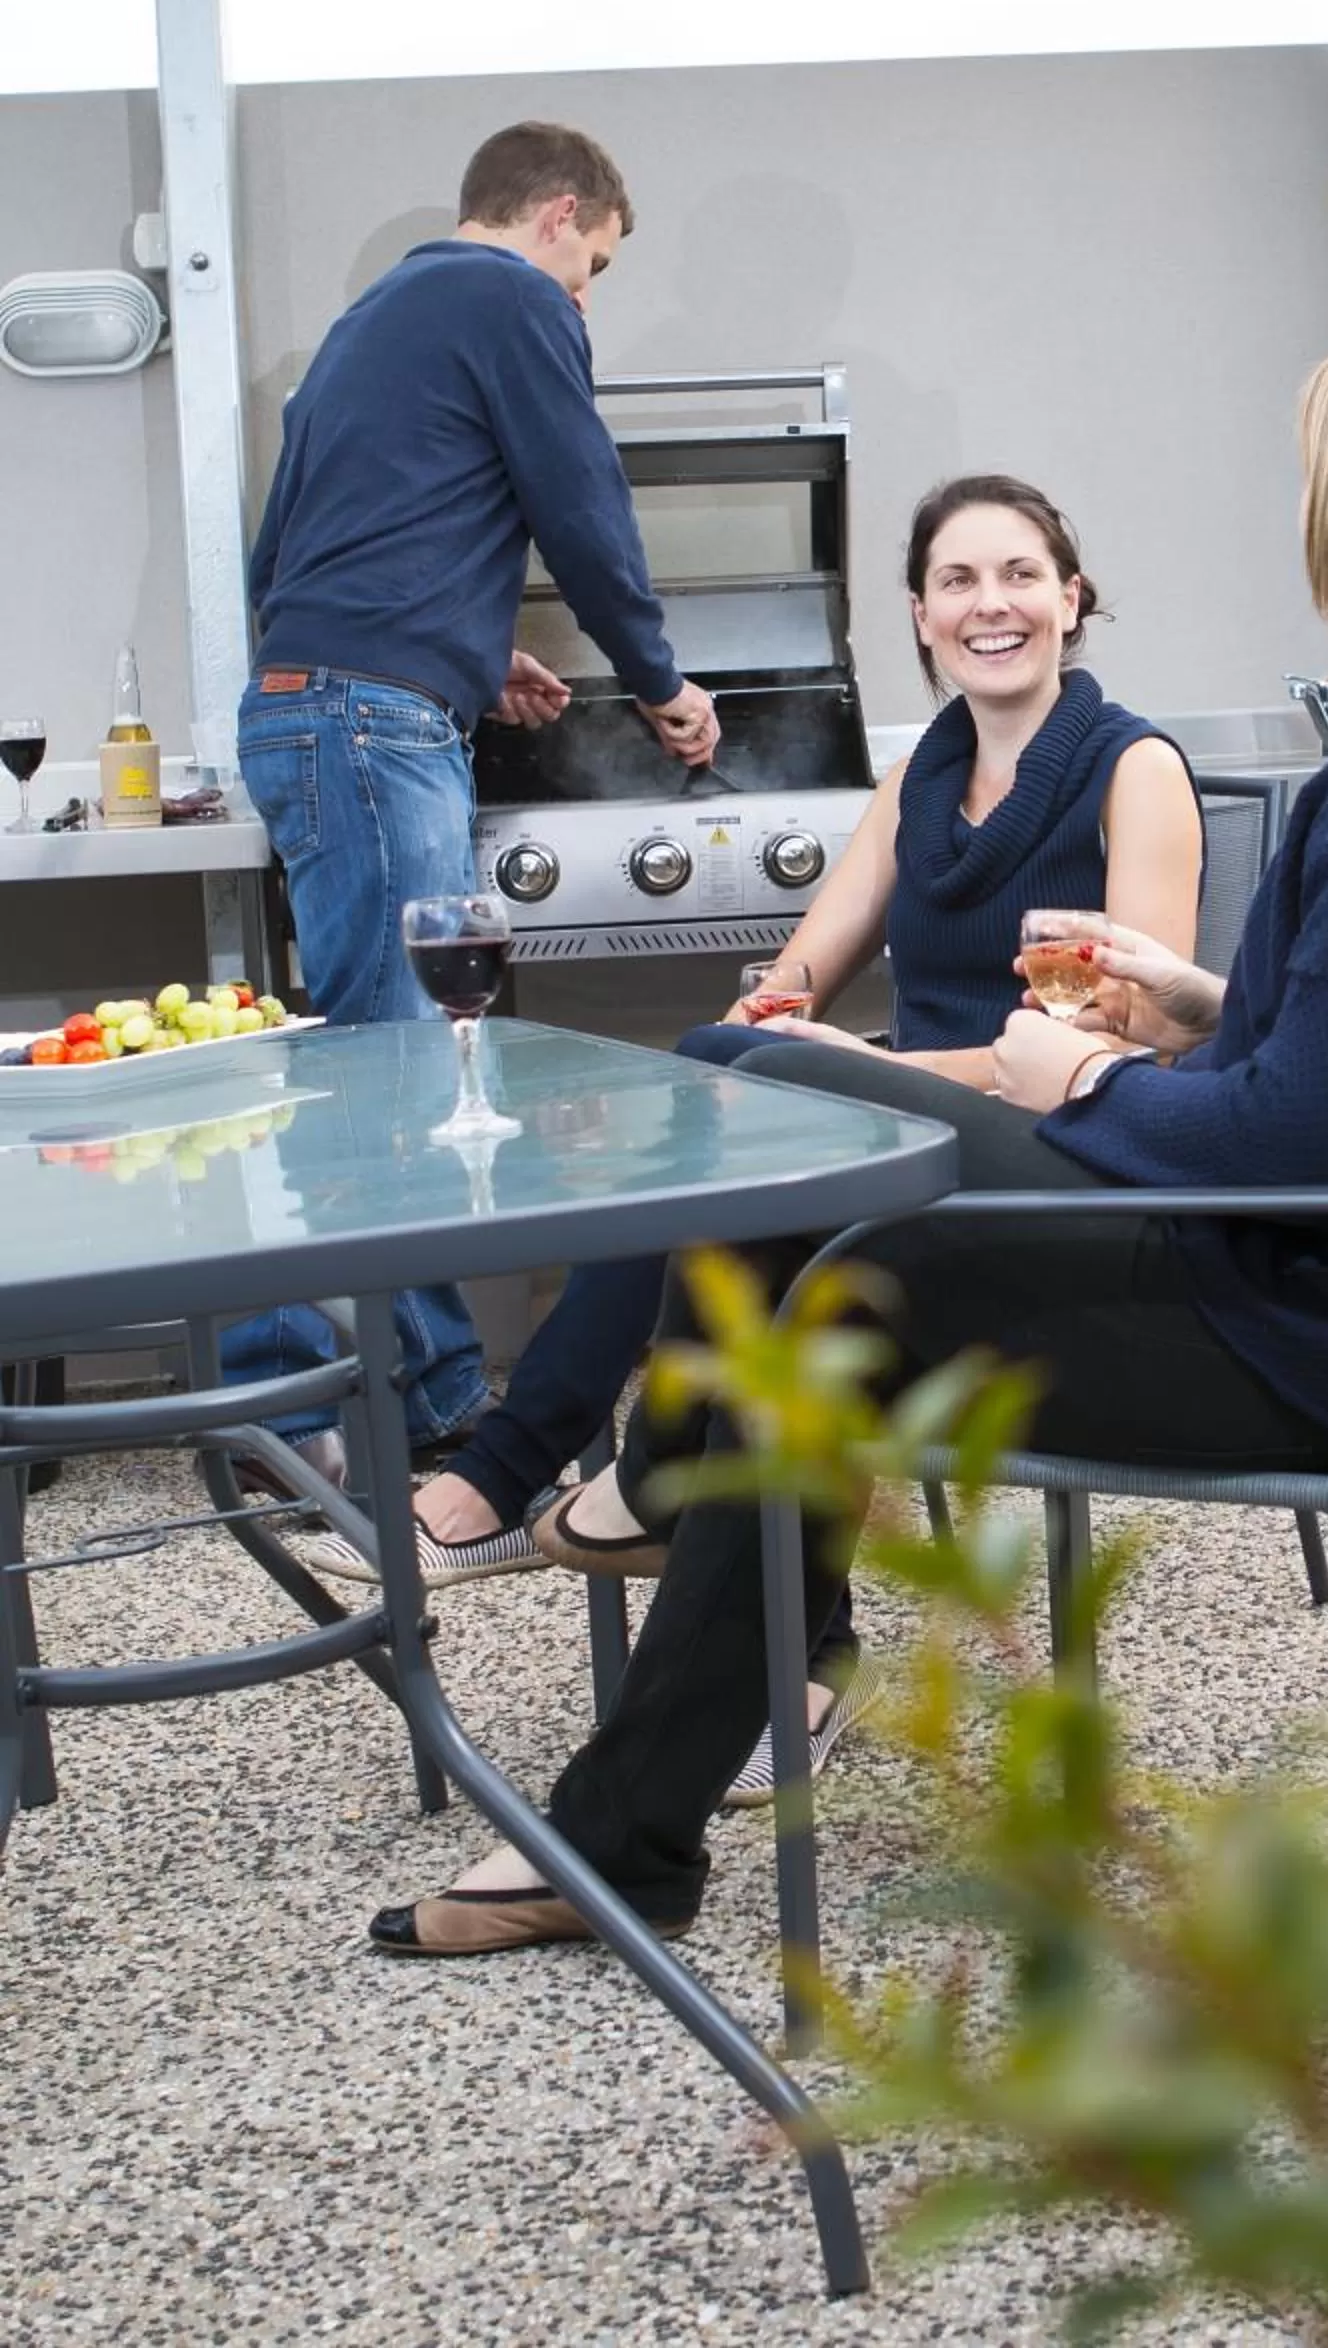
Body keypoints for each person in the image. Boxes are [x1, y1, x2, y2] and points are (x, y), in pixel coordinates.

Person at [370, 304, 1328, 1956]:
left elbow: (1298, 1137)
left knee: (793, 1230)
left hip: (1309, 1328)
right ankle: (636, 1736)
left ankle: (651, 1585)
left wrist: (1089, 1079)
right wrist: (1194, 1004)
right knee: (792, 1196)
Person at [328, 475, 1204, 1798]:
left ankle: (548, 1476)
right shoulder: (920, 780)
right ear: (918, 618)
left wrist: (863, 1064)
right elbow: (803, 970)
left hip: (1057, 1154)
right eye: (959, 582)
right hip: (908, 1133)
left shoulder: (1136, 769)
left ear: (1072, 601)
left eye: (1020, 574)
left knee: (734, 1108)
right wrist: (782, 1007)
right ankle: (790, 1644)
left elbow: (1137, 1040)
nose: (992, 605)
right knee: (729, 1090)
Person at [225, 123, 720, 1483]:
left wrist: (462, 651)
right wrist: (660, 685)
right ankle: (377, 1404)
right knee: (397, 1070)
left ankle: (363, 1389)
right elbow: (582, 500)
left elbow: (294, 554)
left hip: (328, 704)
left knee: (365, 1056)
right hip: (370, 726)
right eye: (597, 267)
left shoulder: (375, 316)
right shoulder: (508, 294)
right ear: (558, 215)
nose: (585, 298)